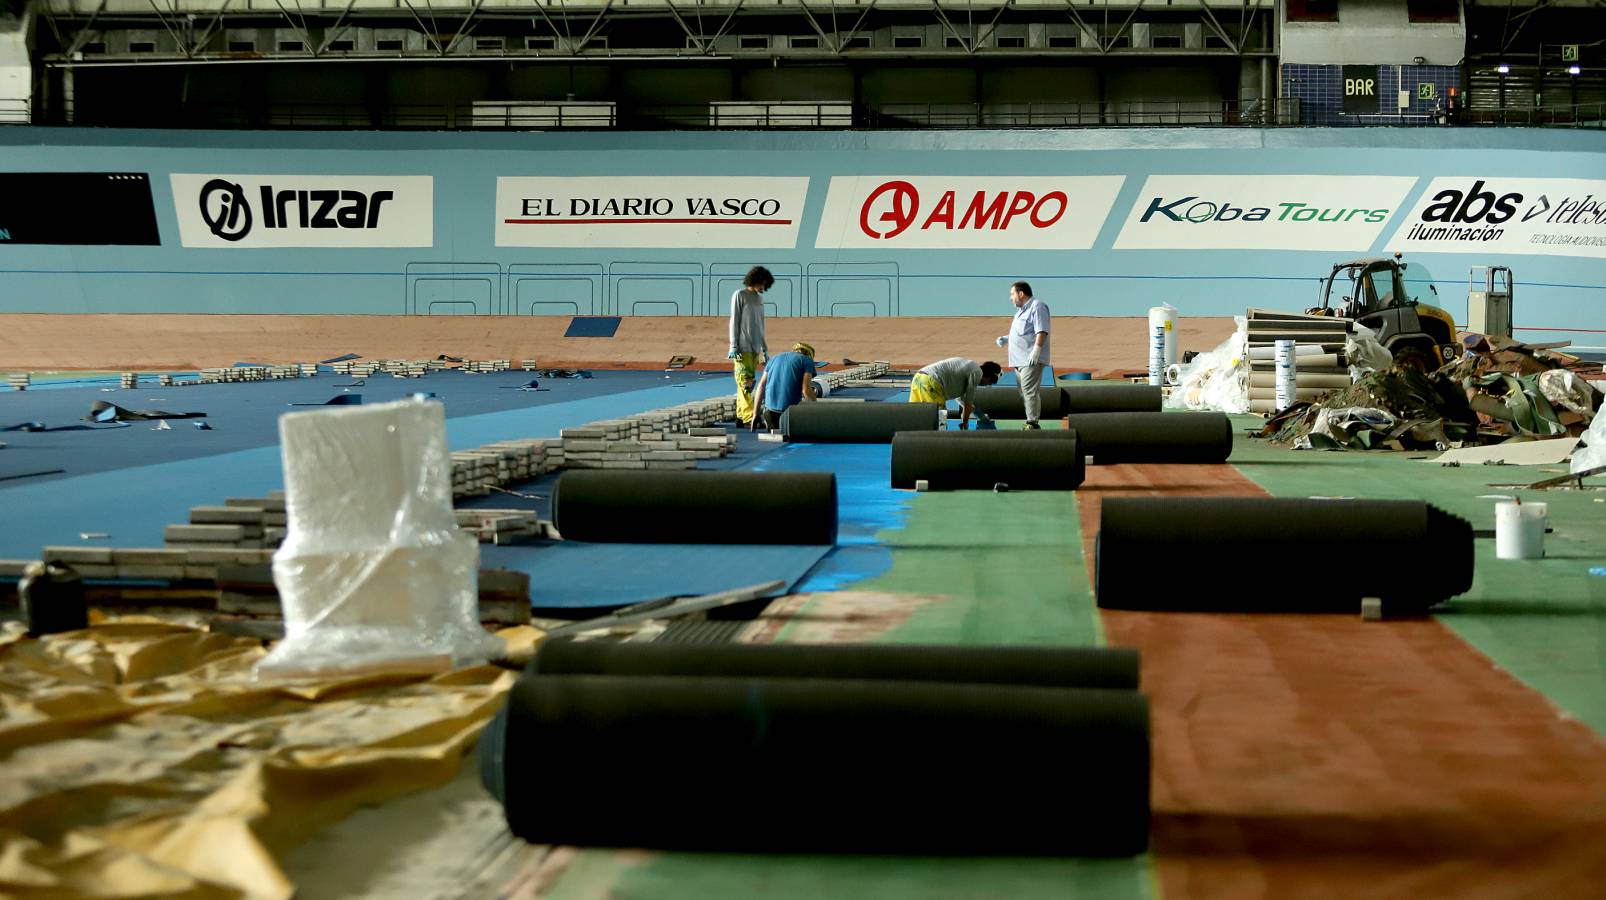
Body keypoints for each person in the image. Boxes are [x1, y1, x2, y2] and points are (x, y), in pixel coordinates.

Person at [996, 280, 1052, 428]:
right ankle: (1031, 420)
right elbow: (1023, 333)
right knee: (1024, 392)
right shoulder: (1020, 313)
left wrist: (1036, 350)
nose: (1010, 298)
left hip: (1030, 359)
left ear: (1021, 293)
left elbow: (1041, 330)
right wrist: (1006, 339)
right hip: (1018, 360)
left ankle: (1032, 422)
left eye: (1012, 294)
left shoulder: (1037, 306)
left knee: (1029, 390)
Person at [728, 265, 774, 426]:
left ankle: (740, 415)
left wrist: (764, 349)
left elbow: (761, 325)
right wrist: (733, 345)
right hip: (741, 348)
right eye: (763, 283)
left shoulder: (759, 299)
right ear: (756, 279)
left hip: (754, 349)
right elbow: (735, 321)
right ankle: (749, 417)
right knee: (745, 383)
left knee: (749, 382)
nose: (764, 287)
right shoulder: (739, 295)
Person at [909, 358, 1001, 430]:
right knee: (940, 418)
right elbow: (968, 402)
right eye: (989, 382)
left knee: (917, 412)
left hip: (919, 378)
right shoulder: (977, 372)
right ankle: (940, 443)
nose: (985, 385)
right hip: (931, 382)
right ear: (988, 376)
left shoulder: (967, 369)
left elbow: (963, 402)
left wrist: (980, 416)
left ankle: (914, 438)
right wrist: (965, 424)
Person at [751, 342, 818, 430]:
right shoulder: (807, 360)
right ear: (808, 354)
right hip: (790, 414)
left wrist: (755, 414)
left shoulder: (774, 358)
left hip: (769, 414)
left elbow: (761, 386)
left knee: (776, 430)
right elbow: (806, 390)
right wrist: (817, 411)